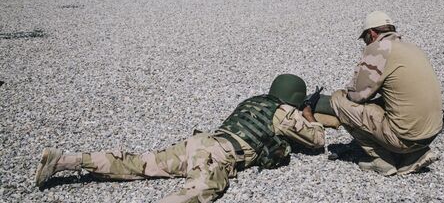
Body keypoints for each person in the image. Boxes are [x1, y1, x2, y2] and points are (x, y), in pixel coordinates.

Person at [35, 74, 334, 203]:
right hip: (216, 156)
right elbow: (317, 140)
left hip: (198, 142)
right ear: (295, 98)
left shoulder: (253, 101)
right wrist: (308, 114)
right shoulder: (285, 113)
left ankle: (65, 159)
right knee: (200, 192)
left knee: (139, 163)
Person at [329, 11, 444, 176]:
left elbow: (356, 96)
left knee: (338, 100)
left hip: (406, 138)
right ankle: (414, 154)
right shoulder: (411, 47)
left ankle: (381, 160)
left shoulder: (379, 48)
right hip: (431, 132)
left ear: (372, 33)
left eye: (365, 39)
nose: (366, 43)